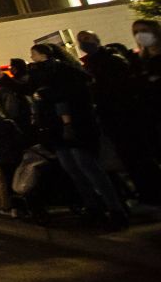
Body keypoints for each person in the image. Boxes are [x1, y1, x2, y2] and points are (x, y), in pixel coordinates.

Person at [30, 44, 129, 229]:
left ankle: (113, 209)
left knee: (87, 169)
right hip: (60, 128)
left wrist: (64, 121)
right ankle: (96, 208)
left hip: (72, 127)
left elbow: (63, 99)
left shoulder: (61, 73)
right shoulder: (59, 74)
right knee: (77, 170)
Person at [78, 30, 161, 203]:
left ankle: (153, 192)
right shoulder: (89, 64)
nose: (84, 42)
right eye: (81, 40)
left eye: (86, 38)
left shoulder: (111, 60)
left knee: (140, 156)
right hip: (111, 117)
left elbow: (123, 87)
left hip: (125, 114)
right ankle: (145, 192)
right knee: (128, 158)